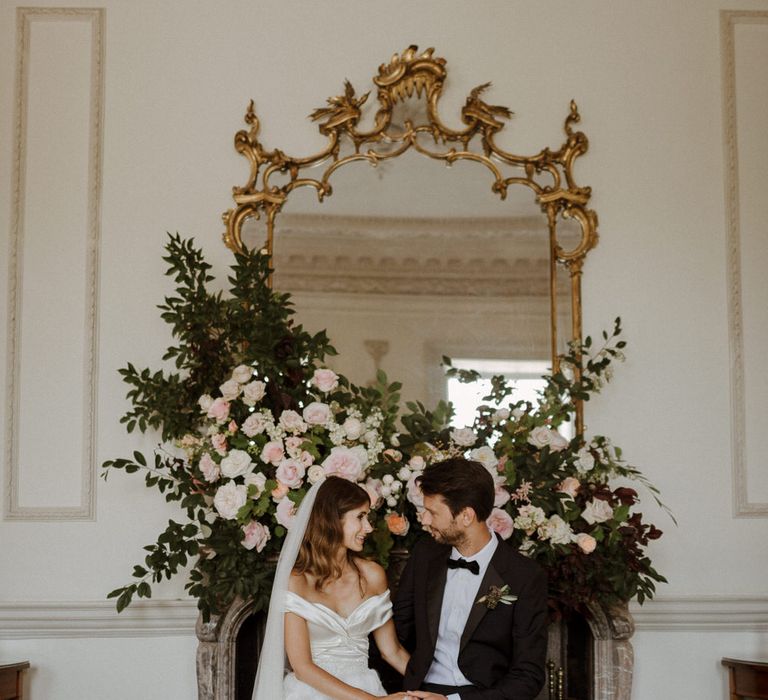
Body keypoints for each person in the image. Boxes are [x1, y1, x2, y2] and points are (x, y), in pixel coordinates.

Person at [393, 457, 548, 700]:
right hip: (418, 693)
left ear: (466, 516)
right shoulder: (424, 555)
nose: (424, 520)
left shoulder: (524, 575)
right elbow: (398, 631)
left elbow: (528, 675)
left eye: (432, 512)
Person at [252, 475, 412, 700]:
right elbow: (302, 667)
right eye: (360, 517)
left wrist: (440, 691)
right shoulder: (296, 581)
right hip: (310, 693)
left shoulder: (372, 575)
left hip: (367, 687)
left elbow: (392, 651)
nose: (368, 527)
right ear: (332, 520)